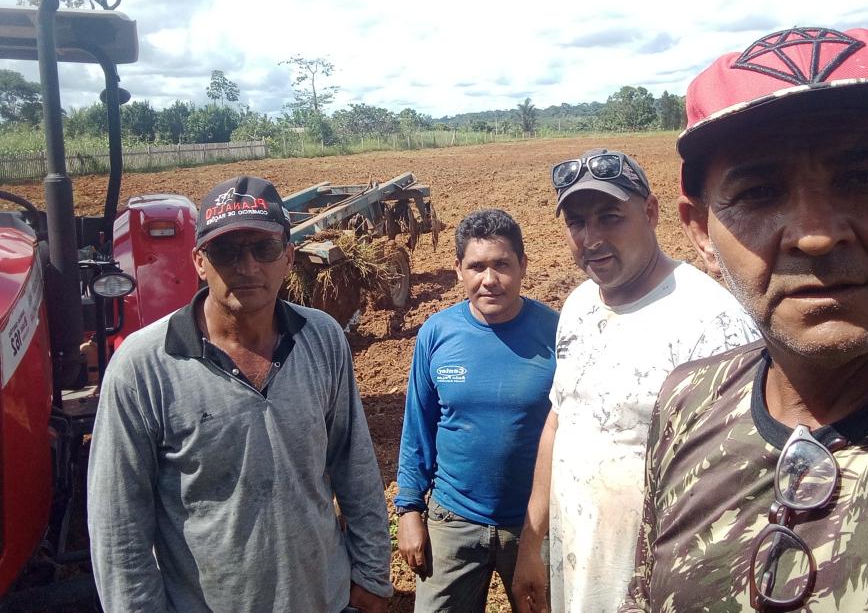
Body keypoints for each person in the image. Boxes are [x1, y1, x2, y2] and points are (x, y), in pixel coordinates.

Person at [620, 26, 868, 612]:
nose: (817, 235)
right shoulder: (688, 405)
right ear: (701, 234)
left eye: (864, 179)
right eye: (758, 192)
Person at [88, 175, 392, 613]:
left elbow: (355, 465)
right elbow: (119, 528)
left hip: (324, 598)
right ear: (198, 261)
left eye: (263, 249)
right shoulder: (142, 368)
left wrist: (371, 576)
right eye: (226, 252)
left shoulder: (322, 338)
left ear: (288, 256)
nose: (247, 266)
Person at [513, 149, 759, 613]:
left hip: (657, 588)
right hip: (578, 574)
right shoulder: (578, 308)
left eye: (610, 217)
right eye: (577, 223)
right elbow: (558, 423)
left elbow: (737, 490)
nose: (592, 239)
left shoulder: (711, 322)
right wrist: (532, 543)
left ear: (650, 212)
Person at [395, 208, 559, 612]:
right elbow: (419, 426)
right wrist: (409, 509)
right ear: (458, 270)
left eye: (502, 264)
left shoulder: (556, 332)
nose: (489, 280)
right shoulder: (437, 333)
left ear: (523, 265)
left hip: (535, 525)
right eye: (477, 266)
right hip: (454, 519)